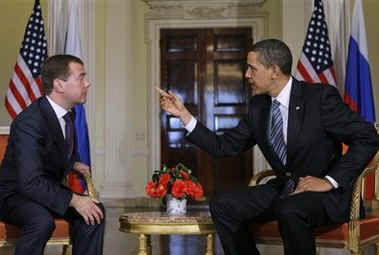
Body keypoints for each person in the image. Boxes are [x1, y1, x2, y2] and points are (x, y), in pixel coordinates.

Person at [157, 39, 379, 255]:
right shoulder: (258, 107)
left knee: (290, 209)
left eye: (252, 68)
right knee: (223, 206)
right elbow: (223, 146)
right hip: (284, 190)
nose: (246, 75)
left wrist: (329, 181)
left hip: (326, 196)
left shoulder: (319, 98)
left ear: (274, 70)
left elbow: (368, 137)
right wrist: (184, 116)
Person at [0, 55, 105, 255]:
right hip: (15, 195)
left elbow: (53, 149)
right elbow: (29, 181)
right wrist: (74, 199)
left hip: (46, 190)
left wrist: (72, 163)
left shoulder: (68, 113)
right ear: (59, 85)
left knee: (95, 211)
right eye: (81, 77)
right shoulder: (29, 122)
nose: (87, 83)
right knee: (41, 221)